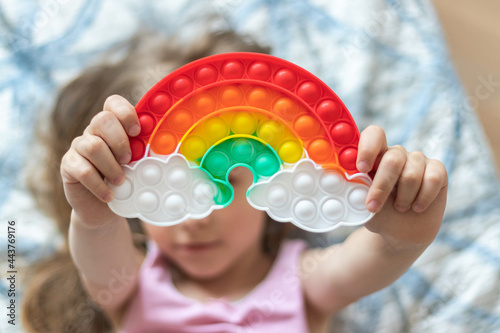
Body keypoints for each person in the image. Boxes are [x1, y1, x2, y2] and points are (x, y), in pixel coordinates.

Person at [22, 30, 448, 333]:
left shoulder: (304, 283)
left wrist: (406, 221)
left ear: (279, 178)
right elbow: (99, 238)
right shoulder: (132, 286)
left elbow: (388, 248)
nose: (197, 219)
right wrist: (95, 207)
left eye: (228, 180)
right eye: (172, 187)